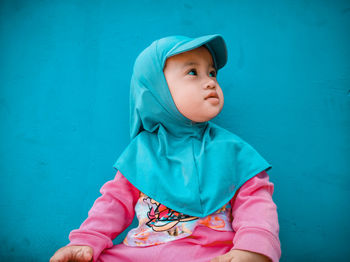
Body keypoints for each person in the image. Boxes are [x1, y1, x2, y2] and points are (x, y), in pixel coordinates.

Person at [50, 34, 281, 262]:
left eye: (212, 72)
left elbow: (256, 204)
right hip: (142, 254)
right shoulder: (141, 153)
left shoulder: (235, 151)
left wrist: (253, 249)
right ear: (156, 89)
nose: (210, 81)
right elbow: (113, 204)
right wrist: (86, 241)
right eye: (193, 72)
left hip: (212, 253)